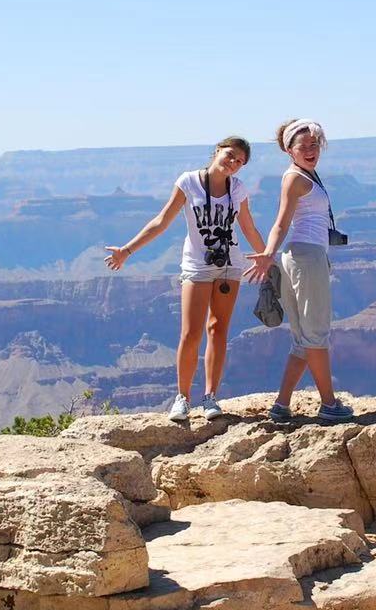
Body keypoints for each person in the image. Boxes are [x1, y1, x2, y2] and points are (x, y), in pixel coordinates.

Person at [106, 137, 267, 421]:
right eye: (230, 155)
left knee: (218, 330)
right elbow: (162, 221)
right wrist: (127, 250)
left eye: (240, 162)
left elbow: (248, 227)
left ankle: (211, 397)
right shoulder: (189, 182)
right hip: (197, 265)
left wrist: (266, 255)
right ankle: (182, 398)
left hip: (230, 265)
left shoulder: (238, 189)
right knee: (191, 332)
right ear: (218, 151)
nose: (233, 163)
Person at [244, 118, 354, 423]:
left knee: (303, 338)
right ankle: (329, 405)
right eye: (302, 146)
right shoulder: (295, 178)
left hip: (302, 256)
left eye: (314, 144)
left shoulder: (307, 174)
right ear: (289, 150)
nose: (310, 149)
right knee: (317, 332)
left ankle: (281, 405)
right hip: (307, 259)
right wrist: (267, 253)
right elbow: (281, 222)